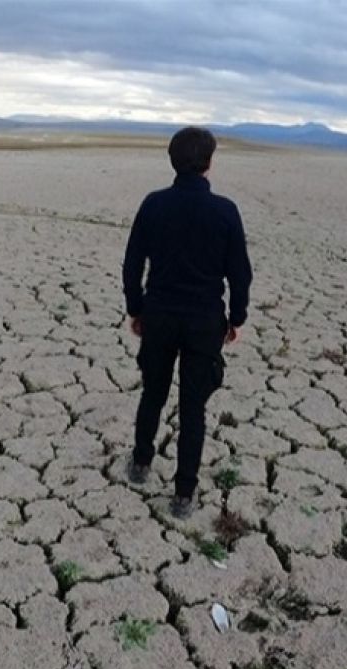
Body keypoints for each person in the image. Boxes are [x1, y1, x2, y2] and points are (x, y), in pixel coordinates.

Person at [122, 126, 253, 519]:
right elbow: (240, 275)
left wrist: (136, 309)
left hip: (159, 315)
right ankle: (183, 494)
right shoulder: (225, 212)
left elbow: (132, 264)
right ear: (209, 163)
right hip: (203, 322)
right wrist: (236, 318)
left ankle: (142, 464)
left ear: (173, 161)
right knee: (193, 407)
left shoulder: (154, 204)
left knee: (153, 393)